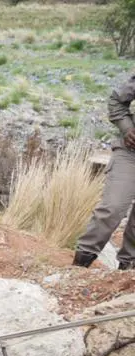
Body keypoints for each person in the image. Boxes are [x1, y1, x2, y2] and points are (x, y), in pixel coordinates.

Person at [76, 72, 135, 270]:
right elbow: (116, 101)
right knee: (112, 208)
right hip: (130, 153)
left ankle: (127, 272)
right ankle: (78, 268)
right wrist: (127, 129)